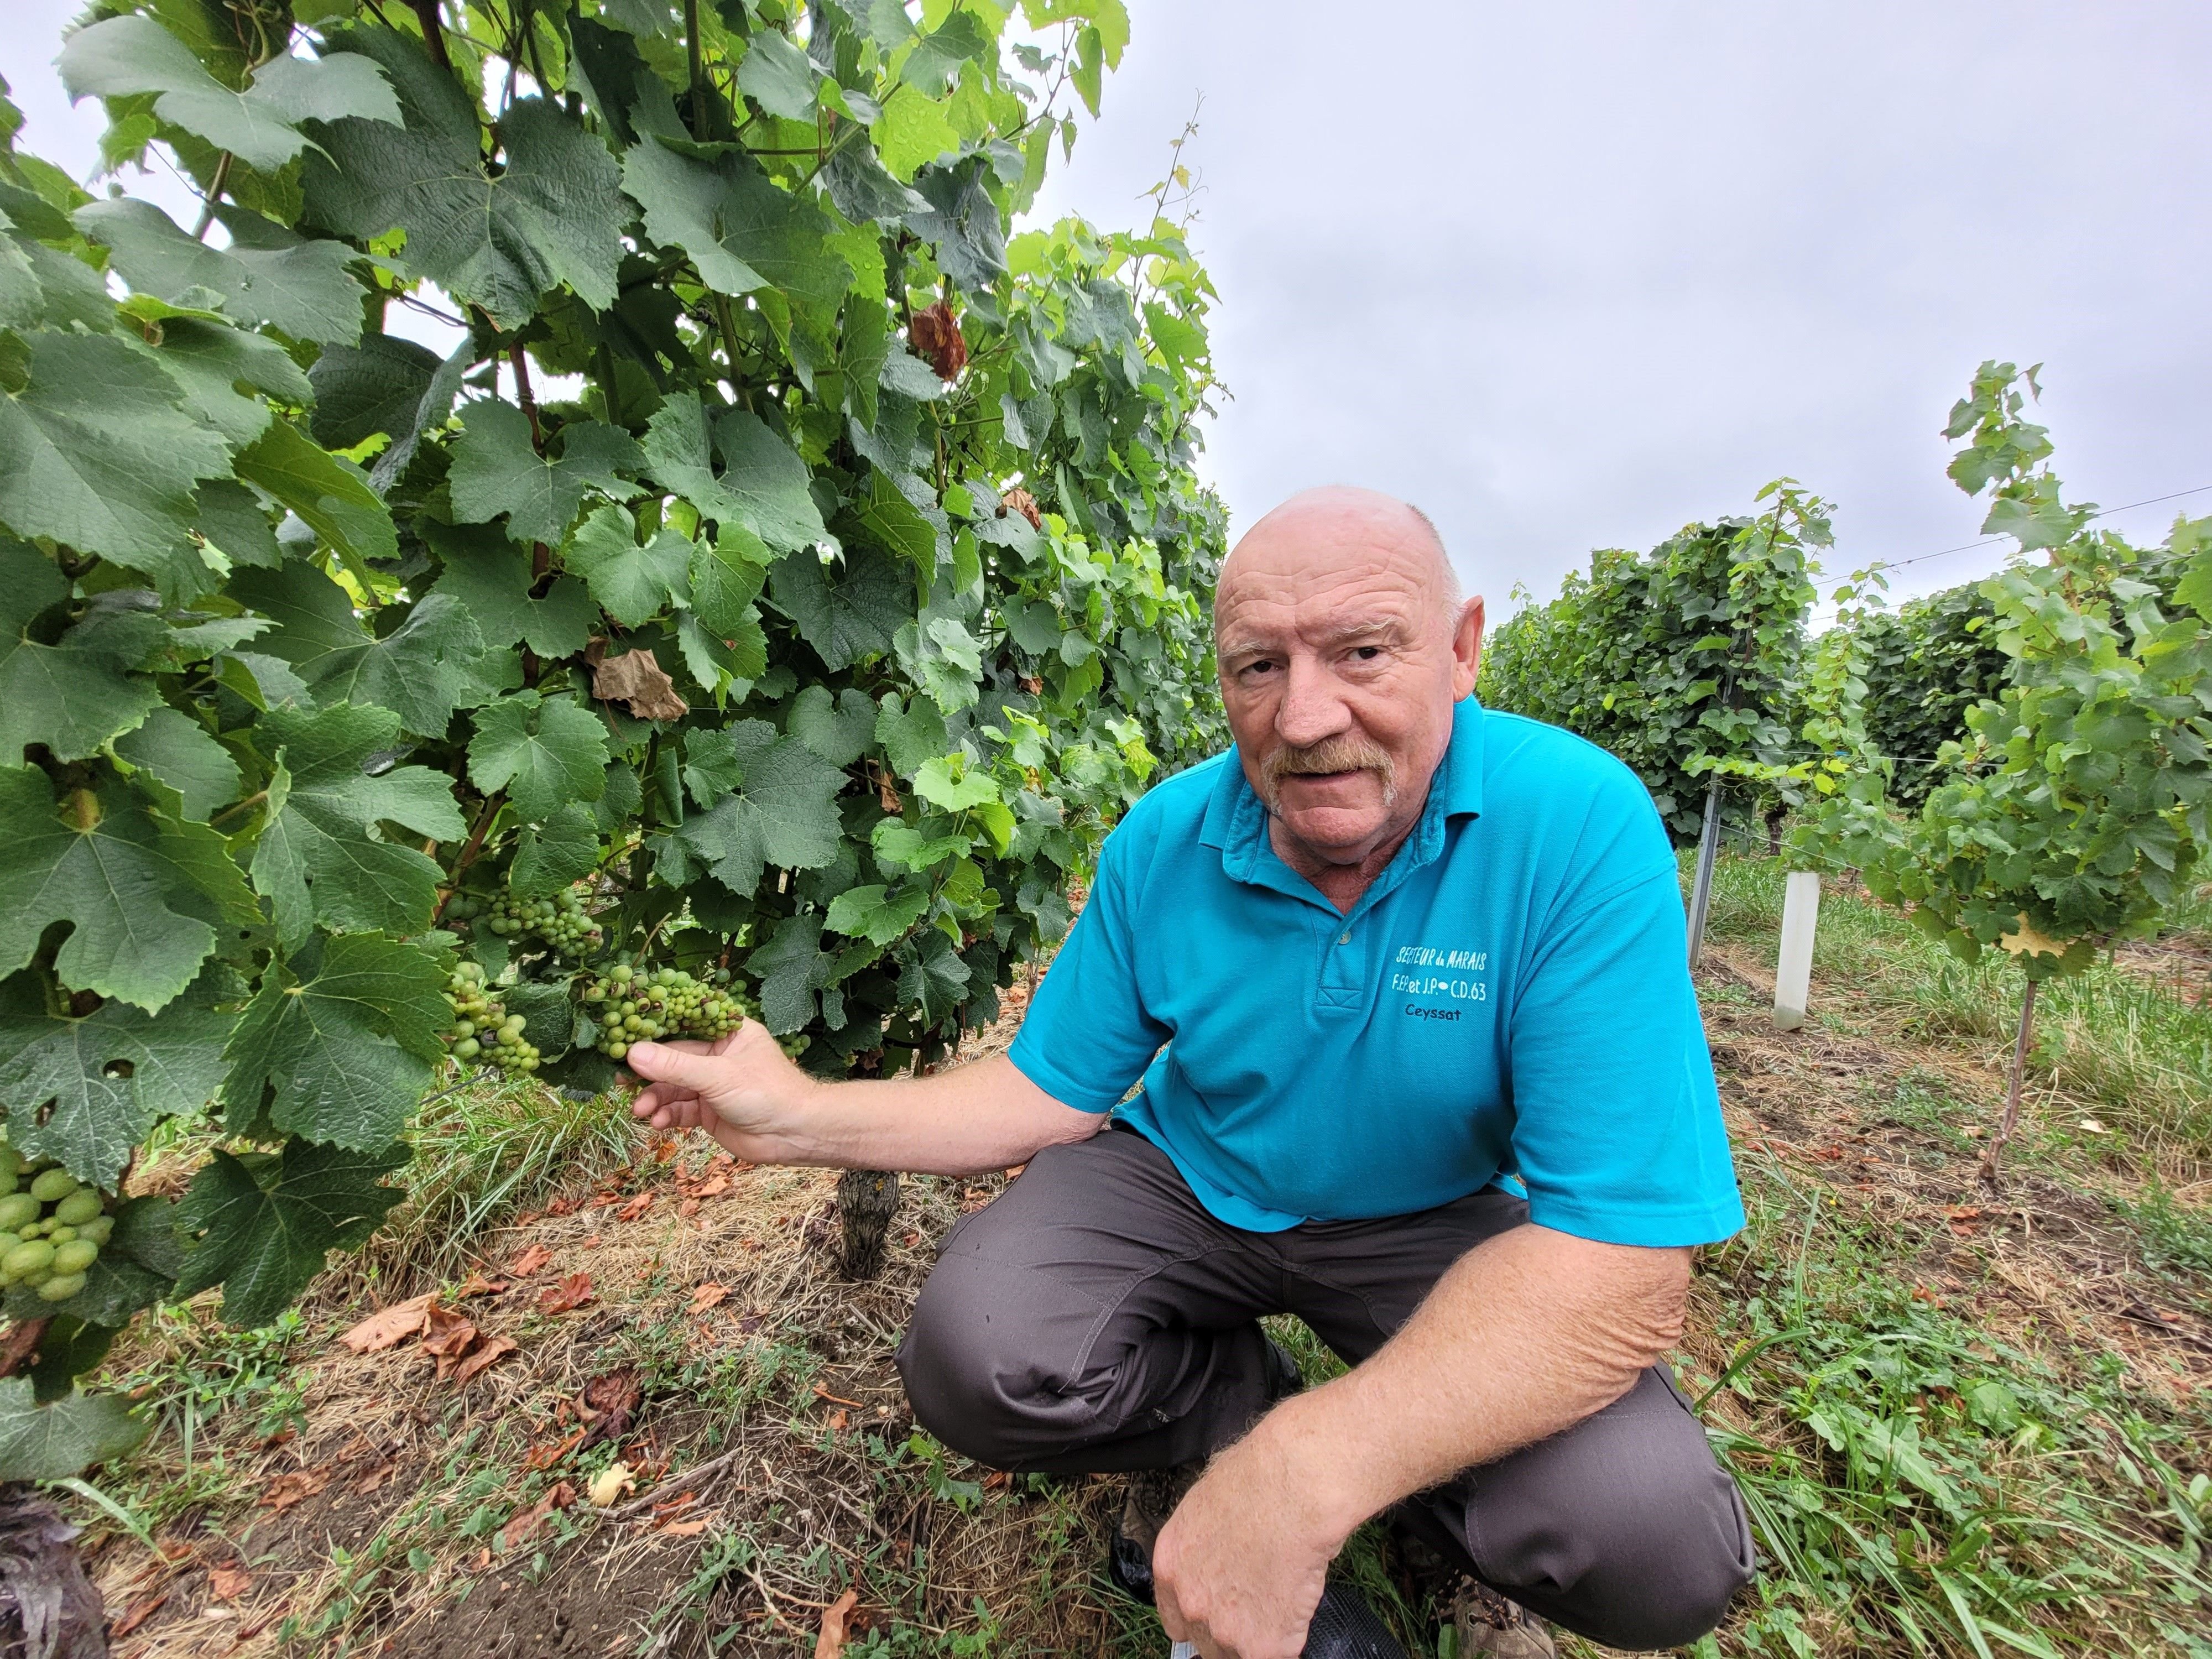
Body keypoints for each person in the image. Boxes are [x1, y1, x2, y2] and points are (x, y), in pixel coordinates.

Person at [622, 487, 1756, 1659]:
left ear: (1460, 650)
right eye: (1255, 667)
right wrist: (798, 1117)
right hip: (1189, 1180)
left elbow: (1623, 1260)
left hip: (1431, 1215)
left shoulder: (1574, 825)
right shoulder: (1165, 840)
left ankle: (1389, 1486)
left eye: (1361, 652)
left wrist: (1312, 1472)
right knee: (979, 1354)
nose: (1303, 715)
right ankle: (1229, 1411)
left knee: (1647, 1544)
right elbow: (1043, 1093)